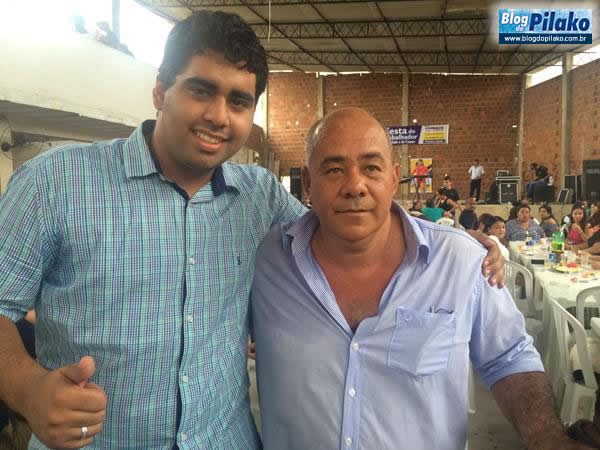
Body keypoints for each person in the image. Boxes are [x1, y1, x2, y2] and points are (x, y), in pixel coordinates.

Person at [0, 12, 506, 450]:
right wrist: (29, 389)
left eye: (239, 101)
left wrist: (452, 238)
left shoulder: (259, 197)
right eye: (201, 91)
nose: (219, 116)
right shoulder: (54, 185)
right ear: (160, 90)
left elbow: (345, 218)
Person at [251, 108, 586, 450]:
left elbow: (509, 356)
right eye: (334, 169)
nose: (354, 186)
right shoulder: (266, 261)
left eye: (371, 168)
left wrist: (547, 437)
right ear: (308, 183)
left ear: (394, 178)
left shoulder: (460, 262)